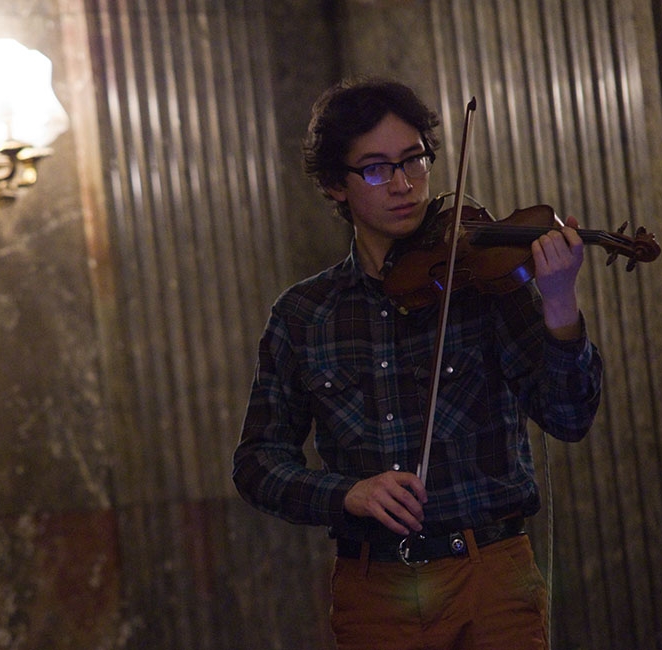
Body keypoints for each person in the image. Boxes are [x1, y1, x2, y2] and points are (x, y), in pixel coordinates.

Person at [231, 77, 603, 650]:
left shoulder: (485, 280)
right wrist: (346, 494)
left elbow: (570, 416)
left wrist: (559, 303)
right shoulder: (303, 314)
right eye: (377, 169)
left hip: (493, 578)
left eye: (415, 160)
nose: (405, 185)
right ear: (335, 185)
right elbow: (257, 464)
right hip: (374, 588)